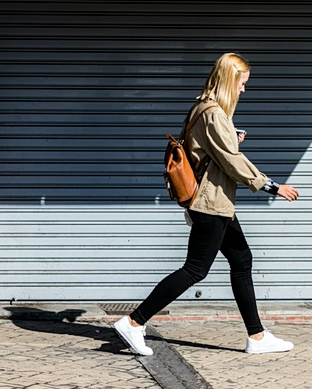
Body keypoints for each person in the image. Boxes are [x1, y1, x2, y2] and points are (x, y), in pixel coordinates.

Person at [114, 52, 300, 356]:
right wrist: (272, 186)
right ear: (229, 80)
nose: (244, 90)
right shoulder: (214, 113)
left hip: (217, 203)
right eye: (242, 83)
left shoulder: (203, 109)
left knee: (241, 260)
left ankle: (257, 336)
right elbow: (231, 162)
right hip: (210, 204)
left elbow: (212, 152)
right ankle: (134, 322)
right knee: (195, 270)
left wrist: (231, 141)